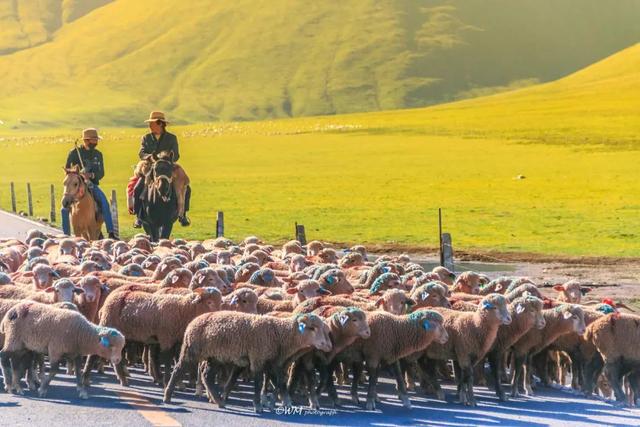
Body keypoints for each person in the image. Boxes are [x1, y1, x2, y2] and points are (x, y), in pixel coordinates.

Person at [130, 111, 191, 227]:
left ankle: (183, 215)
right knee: (138, 188)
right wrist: (149, 157)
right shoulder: (146, 138)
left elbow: (176, 155)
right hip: (150, 166)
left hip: (167, 166)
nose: (149, 126)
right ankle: (138, 217)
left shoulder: (171, 138)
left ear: (160, 124)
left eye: (152, 123)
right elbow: (141, 153)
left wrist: (166, 159)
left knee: (186, 188)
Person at [63, 128, 117, 239]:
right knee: (64, 209)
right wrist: (77, 173)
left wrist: (91, 175)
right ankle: (66, 235)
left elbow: (101, 172)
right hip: (75, 186)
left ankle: (111, 232)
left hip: (92, 184)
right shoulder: (74, 153)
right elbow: (67, 169)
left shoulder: (98, 154)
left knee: (104, 202)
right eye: (93, 140)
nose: (96, 142)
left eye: (96, 139)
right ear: (86, 140)